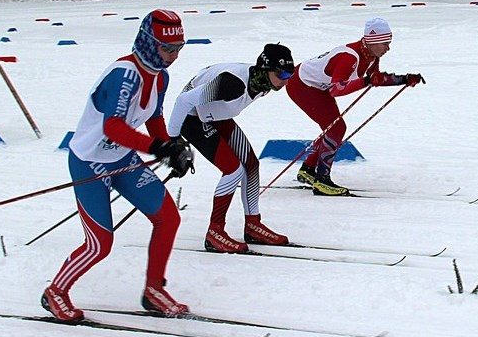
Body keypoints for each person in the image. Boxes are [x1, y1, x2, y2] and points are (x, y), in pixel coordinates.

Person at [41, 9, 196, 324]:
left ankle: (154, 291)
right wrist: (158, 148)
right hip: (89, 162)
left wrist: (171, 147)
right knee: (100, 244)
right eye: (167, 48)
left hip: (123, 158)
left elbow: (153, 117)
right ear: (149, 43)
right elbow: (113, 127)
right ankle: (56, 291)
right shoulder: (125, 74)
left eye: (179, 48)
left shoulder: (160, 76)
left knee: (167, 218)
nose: (173, 56)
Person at [167, 43, 296, 253]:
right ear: (266, 69)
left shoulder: (262, 82)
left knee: (251, 164)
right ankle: (215, 231)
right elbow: (183, 100)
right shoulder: (232, 84)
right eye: (282, 74)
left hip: (217, 115)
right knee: (233, 170)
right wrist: (173, 140)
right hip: (193, 119)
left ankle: (253, 224)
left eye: (290, 74)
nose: (286, 80)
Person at [286, 17, 423, 196]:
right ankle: (321, 180)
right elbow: (337, 89)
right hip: (301, 85)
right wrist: (366, 81)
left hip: (318, 87)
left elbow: (376, 78)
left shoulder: (371, 56)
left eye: (389, 43)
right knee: (336, 128)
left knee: (334, 128)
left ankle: (309, 169)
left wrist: (404, 79)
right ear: (372, 41)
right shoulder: (350, 57)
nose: (388, 48)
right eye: (384, 43)